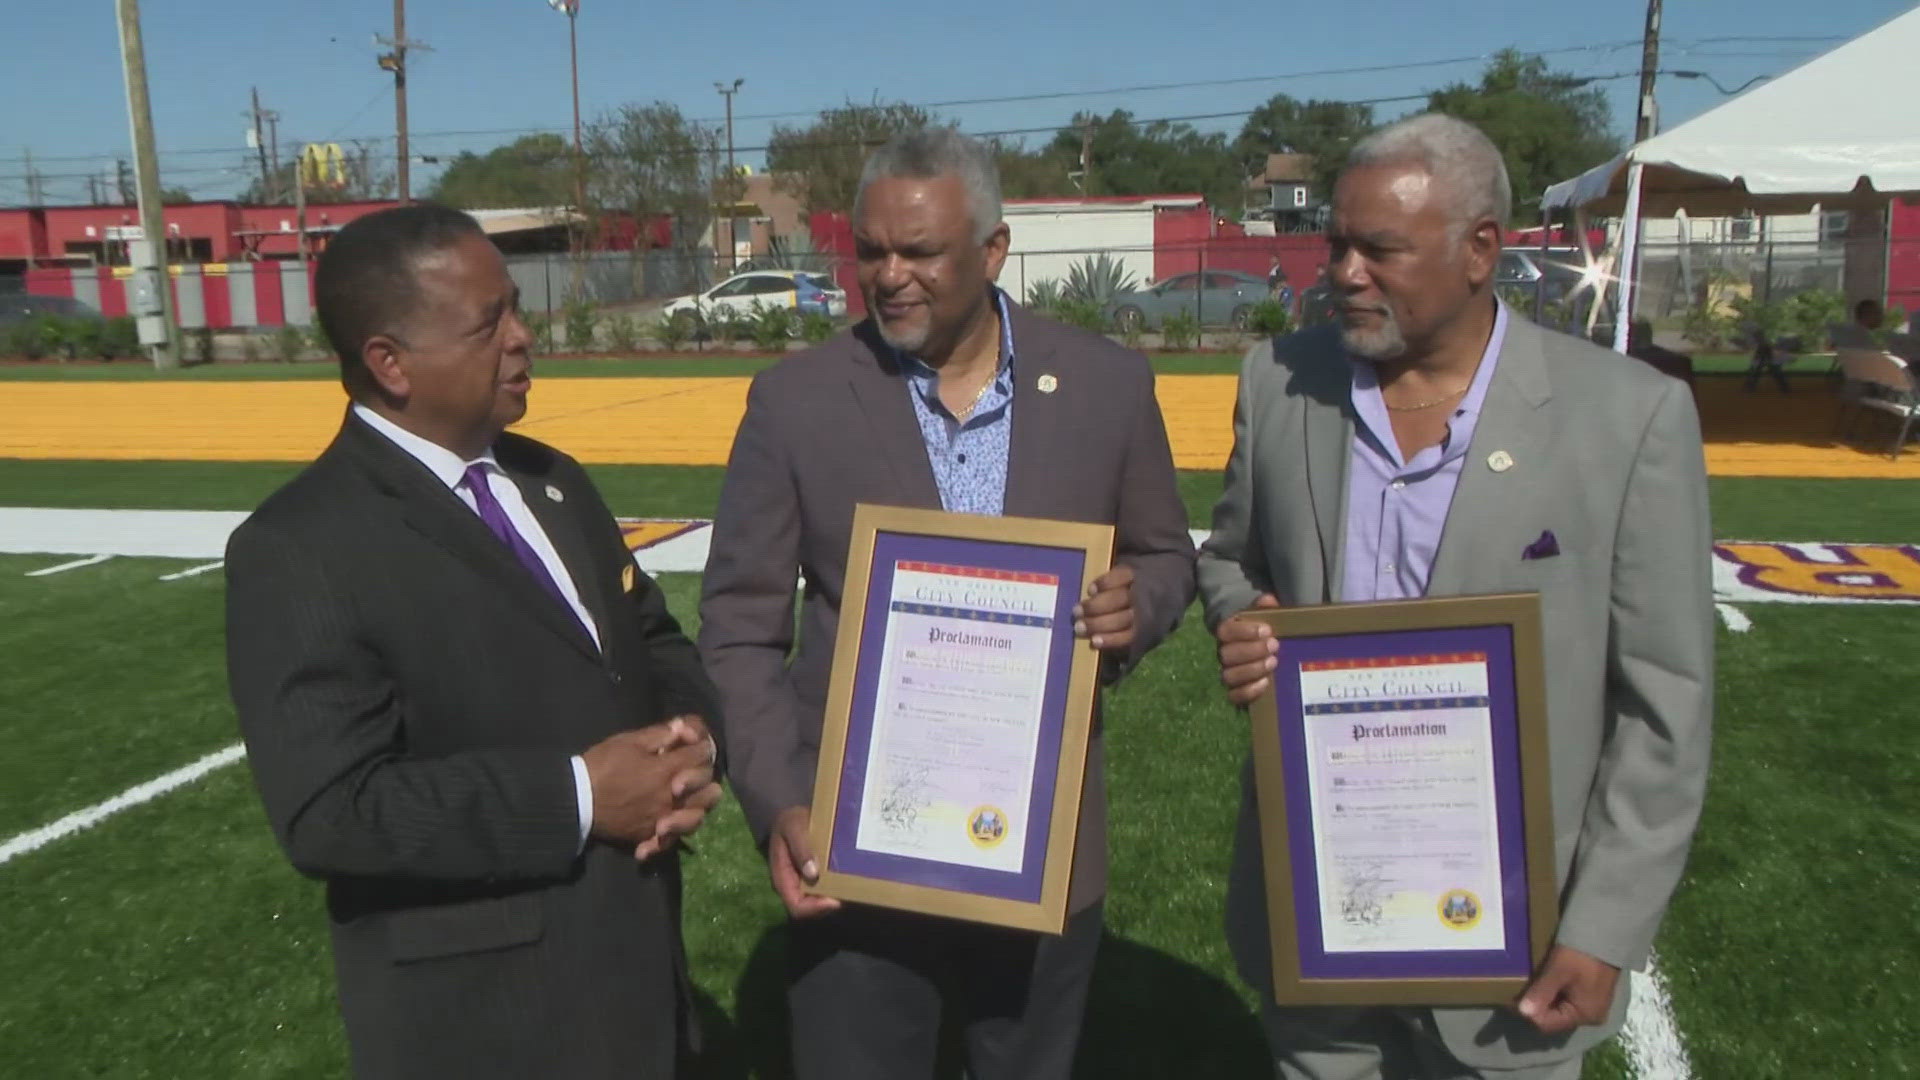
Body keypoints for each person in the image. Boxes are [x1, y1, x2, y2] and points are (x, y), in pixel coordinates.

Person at [1198, 114, 1713, 1080]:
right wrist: (1244, 617)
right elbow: (1229, 557)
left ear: (1483, 250)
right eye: (1336, 243)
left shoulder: (1629, 418)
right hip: (1317, 915)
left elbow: (1665, 709)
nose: (1343, 272)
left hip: (1514, 950)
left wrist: (1603, 929)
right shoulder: (1278, 381)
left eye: (1380, 249)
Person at [699, 128, 1196, 1080]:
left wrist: (1144, 604)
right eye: (871, 252)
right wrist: (781, 801)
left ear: (993, 252)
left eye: (919, 252)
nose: (889, 276)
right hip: (856, 855)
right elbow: (739, 627)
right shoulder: (795, 402)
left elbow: (1163, 550)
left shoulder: (1108, 385)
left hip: (1040, 844)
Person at [225, 204, 723, 1079]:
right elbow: (332, 812)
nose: (524, 338)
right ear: (390, 363)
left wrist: (691, 743)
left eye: (516, 309)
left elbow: (655, 640)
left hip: (642, 990)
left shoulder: (553, 480)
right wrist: (578, 796)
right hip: (493, 1026)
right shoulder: (299, 547)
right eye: (488, 323)